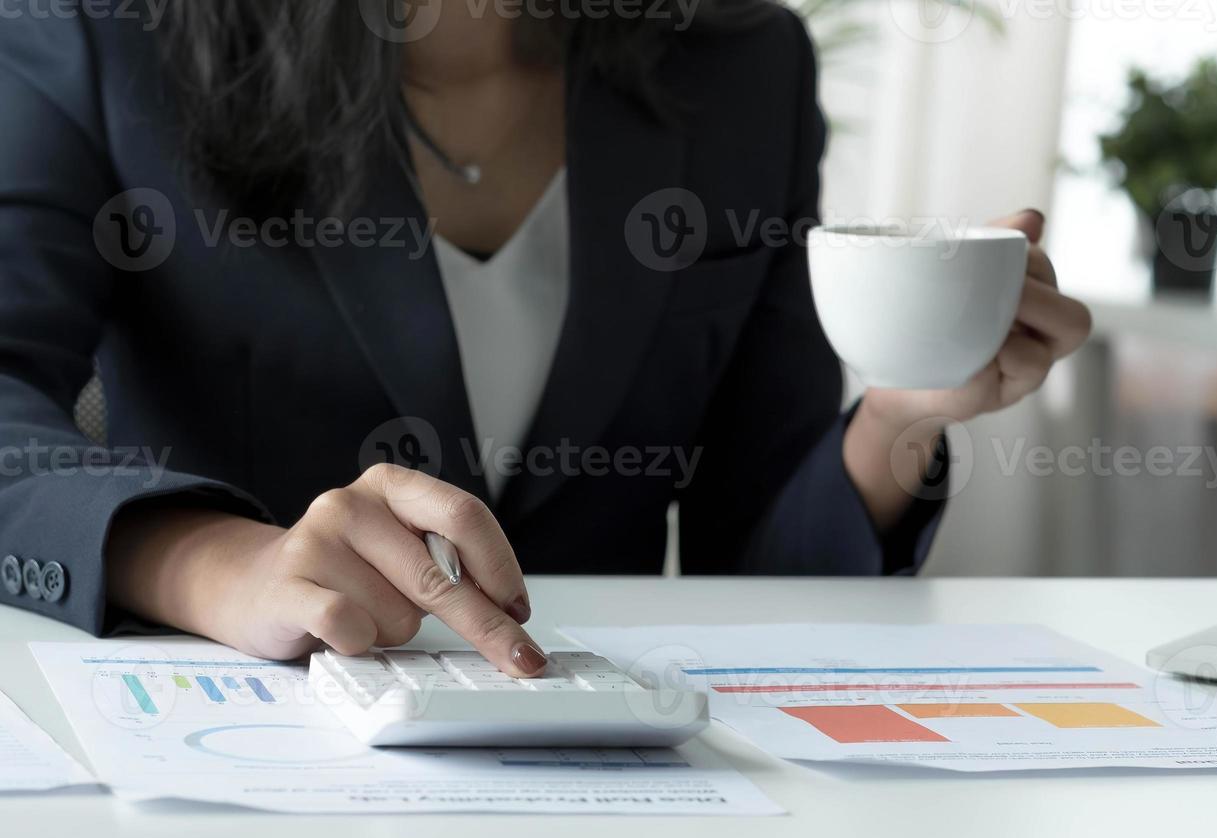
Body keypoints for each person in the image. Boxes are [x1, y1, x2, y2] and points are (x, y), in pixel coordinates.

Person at [0, 0, 1092, 677]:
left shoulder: (741, 66)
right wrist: (217, 563)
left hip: (621, 784)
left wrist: (903, 413)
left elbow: (757, 566)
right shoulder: (100, 33)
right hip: (254, 758)